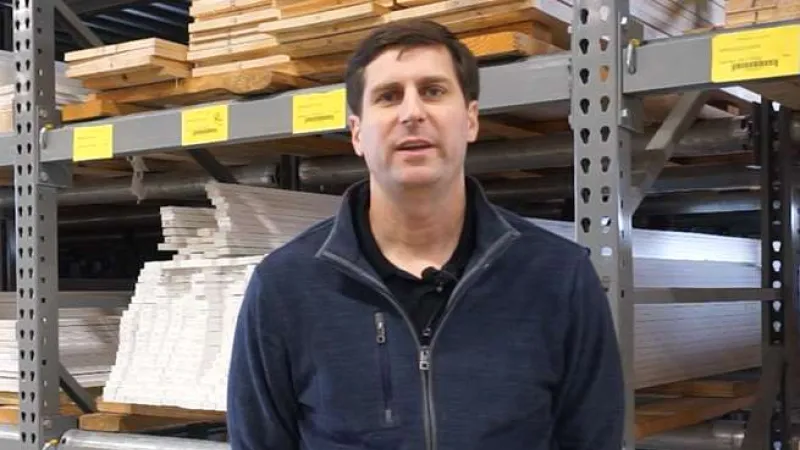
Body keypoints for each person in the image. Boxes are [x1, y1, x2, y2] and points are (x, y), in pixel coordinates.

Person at [226, 18, 625, 450]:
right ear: (357, 133)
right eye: (388, 96)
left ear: (470, 120)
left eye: (433, 91)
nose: (412, 113)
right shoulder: (284, 287)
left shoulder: (560, 277)